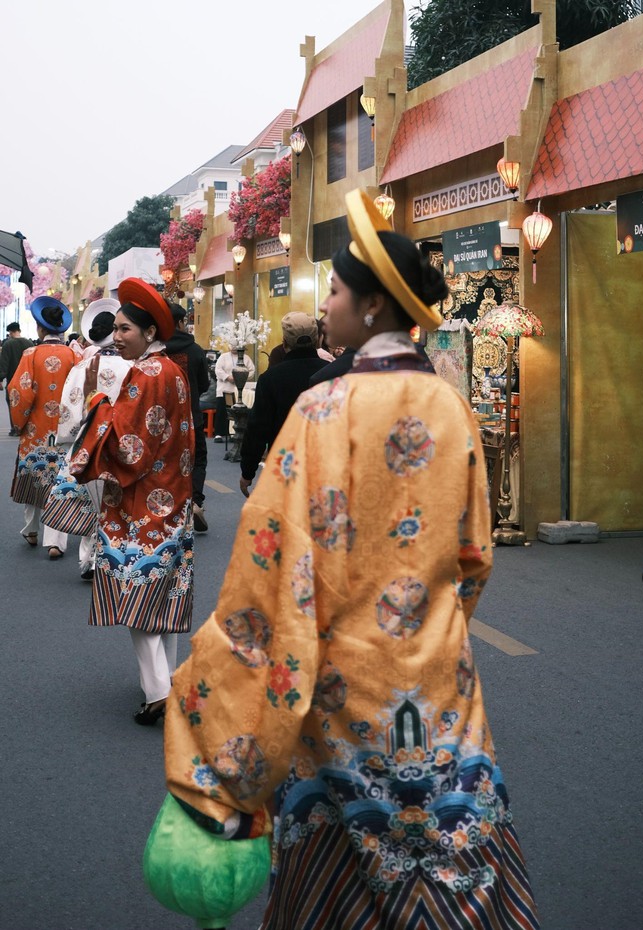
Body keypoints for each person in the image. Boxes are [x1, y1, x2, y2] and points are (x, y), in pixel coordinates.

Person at [159, 189, 539, 929]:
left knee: (335, 882)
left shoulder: (321, 412)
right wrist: (430, 628)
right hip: (438, 680)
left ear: (370, 309)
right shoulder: (451, 406)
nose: (325, 304)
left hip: (339, 685)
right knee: (452, 851)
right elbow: (475, 553)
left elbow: (270, 569)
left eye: (333, 290)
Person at [69, 278, 195, 725]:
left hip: (140, 505)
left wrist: (99, 402)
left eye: (125, 329)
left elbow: (129, 448)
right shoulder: (173, 370)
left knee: (134, 593)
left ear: (148, 332)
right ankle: (164, 682)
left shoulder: (145, 374)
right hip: (172, 499)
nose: (117, 336)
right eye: (116, 328)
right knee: (163, 596)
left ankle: (158, 690)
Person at [41, 298, 131, 579]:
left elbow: (69, 410)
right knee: (117, 504)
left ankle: (88, 560)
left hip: (90, 443)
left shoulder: (82, 369)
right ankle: (109, 558)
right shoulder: (133, 368)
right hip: (123, 445)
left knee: (91, 501)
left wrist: (70, 442)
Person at [7, 298, 77, 557]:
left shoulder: (30, 355)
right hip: (65, 431)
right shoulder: (74, 355)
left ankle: (31, 529)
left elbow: (19, 391)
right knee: (62, 481)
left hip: (36, 430)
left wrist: (20, 421)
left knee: (34, 477)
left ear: (39, 328)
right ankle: (56, 541)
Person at [239, 311, 328, 498]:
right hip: (325, 463)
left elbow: (257, 428)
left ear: (285, 343)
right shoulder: (329, 373)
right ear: (318, 340)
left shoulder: (270, 379)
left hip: (284, 463)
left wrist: (248, 472)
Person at [165, 302, 210, 532]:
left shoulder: (157, 350)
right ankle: (195, 502)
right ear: (181, 323)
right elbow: (204, 384)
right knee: (197, 458)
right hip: (191, 416)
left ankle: (170, 506)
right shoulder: (195, 350)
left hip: (162, 419)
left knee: (167, 461)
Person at [214, 346, 255, 442]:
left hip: (239, 389)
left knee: (237, 412)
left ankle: (234, 433)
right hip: (224, 388)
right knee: (222, 411)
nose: (233, 347)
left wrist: (242, 377)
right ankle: (219, 434)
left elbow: (252, 371)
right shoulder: (223, 357)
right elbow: (218, 370)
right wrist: (228, 377)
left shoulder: (246, 358)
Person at [0, 322, 33, 436]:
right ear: (19, 330)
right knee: (27, 403)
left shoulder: (7, 345)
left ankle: (15, 428)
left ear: (11, 332)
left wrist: (0, 378)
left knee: (12, 403)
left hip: (13, 380)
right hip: (28, 380)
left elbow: (4, 363)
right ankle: (26, 426)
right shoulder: (30, 343)